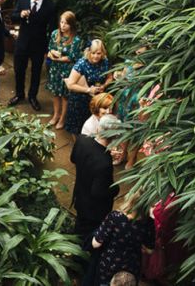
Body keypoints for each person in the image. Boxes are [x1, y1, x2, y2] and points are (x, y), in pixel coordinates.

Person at [71, 114, 122, 286]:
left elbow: (73, 159)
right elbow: (98, 192)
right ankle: (81, 266)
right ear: (114, 136)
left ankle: (73, 256)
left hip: (79, 195)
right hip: (93, 210)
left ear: (99, 128)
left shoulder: (82, 141)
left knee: (79, 229)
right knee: (88, 239)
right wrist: (116, 188)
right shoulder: (104, 163)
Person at [9, 0, 57, 111]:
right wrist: (20, 15)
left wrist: (49, 49)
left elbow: (52, 29)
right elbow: (13, 17)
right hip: (22, 43)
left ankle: (32, 96)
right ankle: (19, 94)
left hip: (38, 45)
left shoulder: (50, 6)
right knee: (19, 70)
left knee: (36, 72)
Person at [92, 191, 155, 286]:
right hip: (131, 268)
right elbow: (150, 250)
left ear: (130, 199)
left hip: (109, 265)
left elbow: (96, 244)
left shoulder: (115, 217)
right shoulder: (148, 223)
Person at [64, 39, 111, 136]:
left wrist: (104, 86)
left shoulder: (105, 62)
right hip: (80, 100)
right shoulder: (81, 64)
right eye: (93, 53)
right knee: (78, 128)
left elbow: (110, 77)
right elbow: (70, 84)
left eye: (98, 53)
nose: (96, 56)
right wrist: (88, 90)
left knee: (94, 126)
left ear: (102, 52)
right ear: (88, 51)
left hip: (96, 100)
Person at [44, 11, 81, 128]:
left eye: (66, 23)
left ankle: (62, 118)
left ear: (72, 25)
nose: (63, 25)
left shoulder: (76, 40)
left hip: (66, 71)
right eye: (61, 22)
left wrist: (58, 58)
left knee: (65, 96)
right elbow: (49, 48)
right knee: (55, 94)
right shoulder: (55, 34)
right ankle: (56, 115)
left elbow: (72, 57)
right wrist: (51, 54)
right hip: (55, 70)